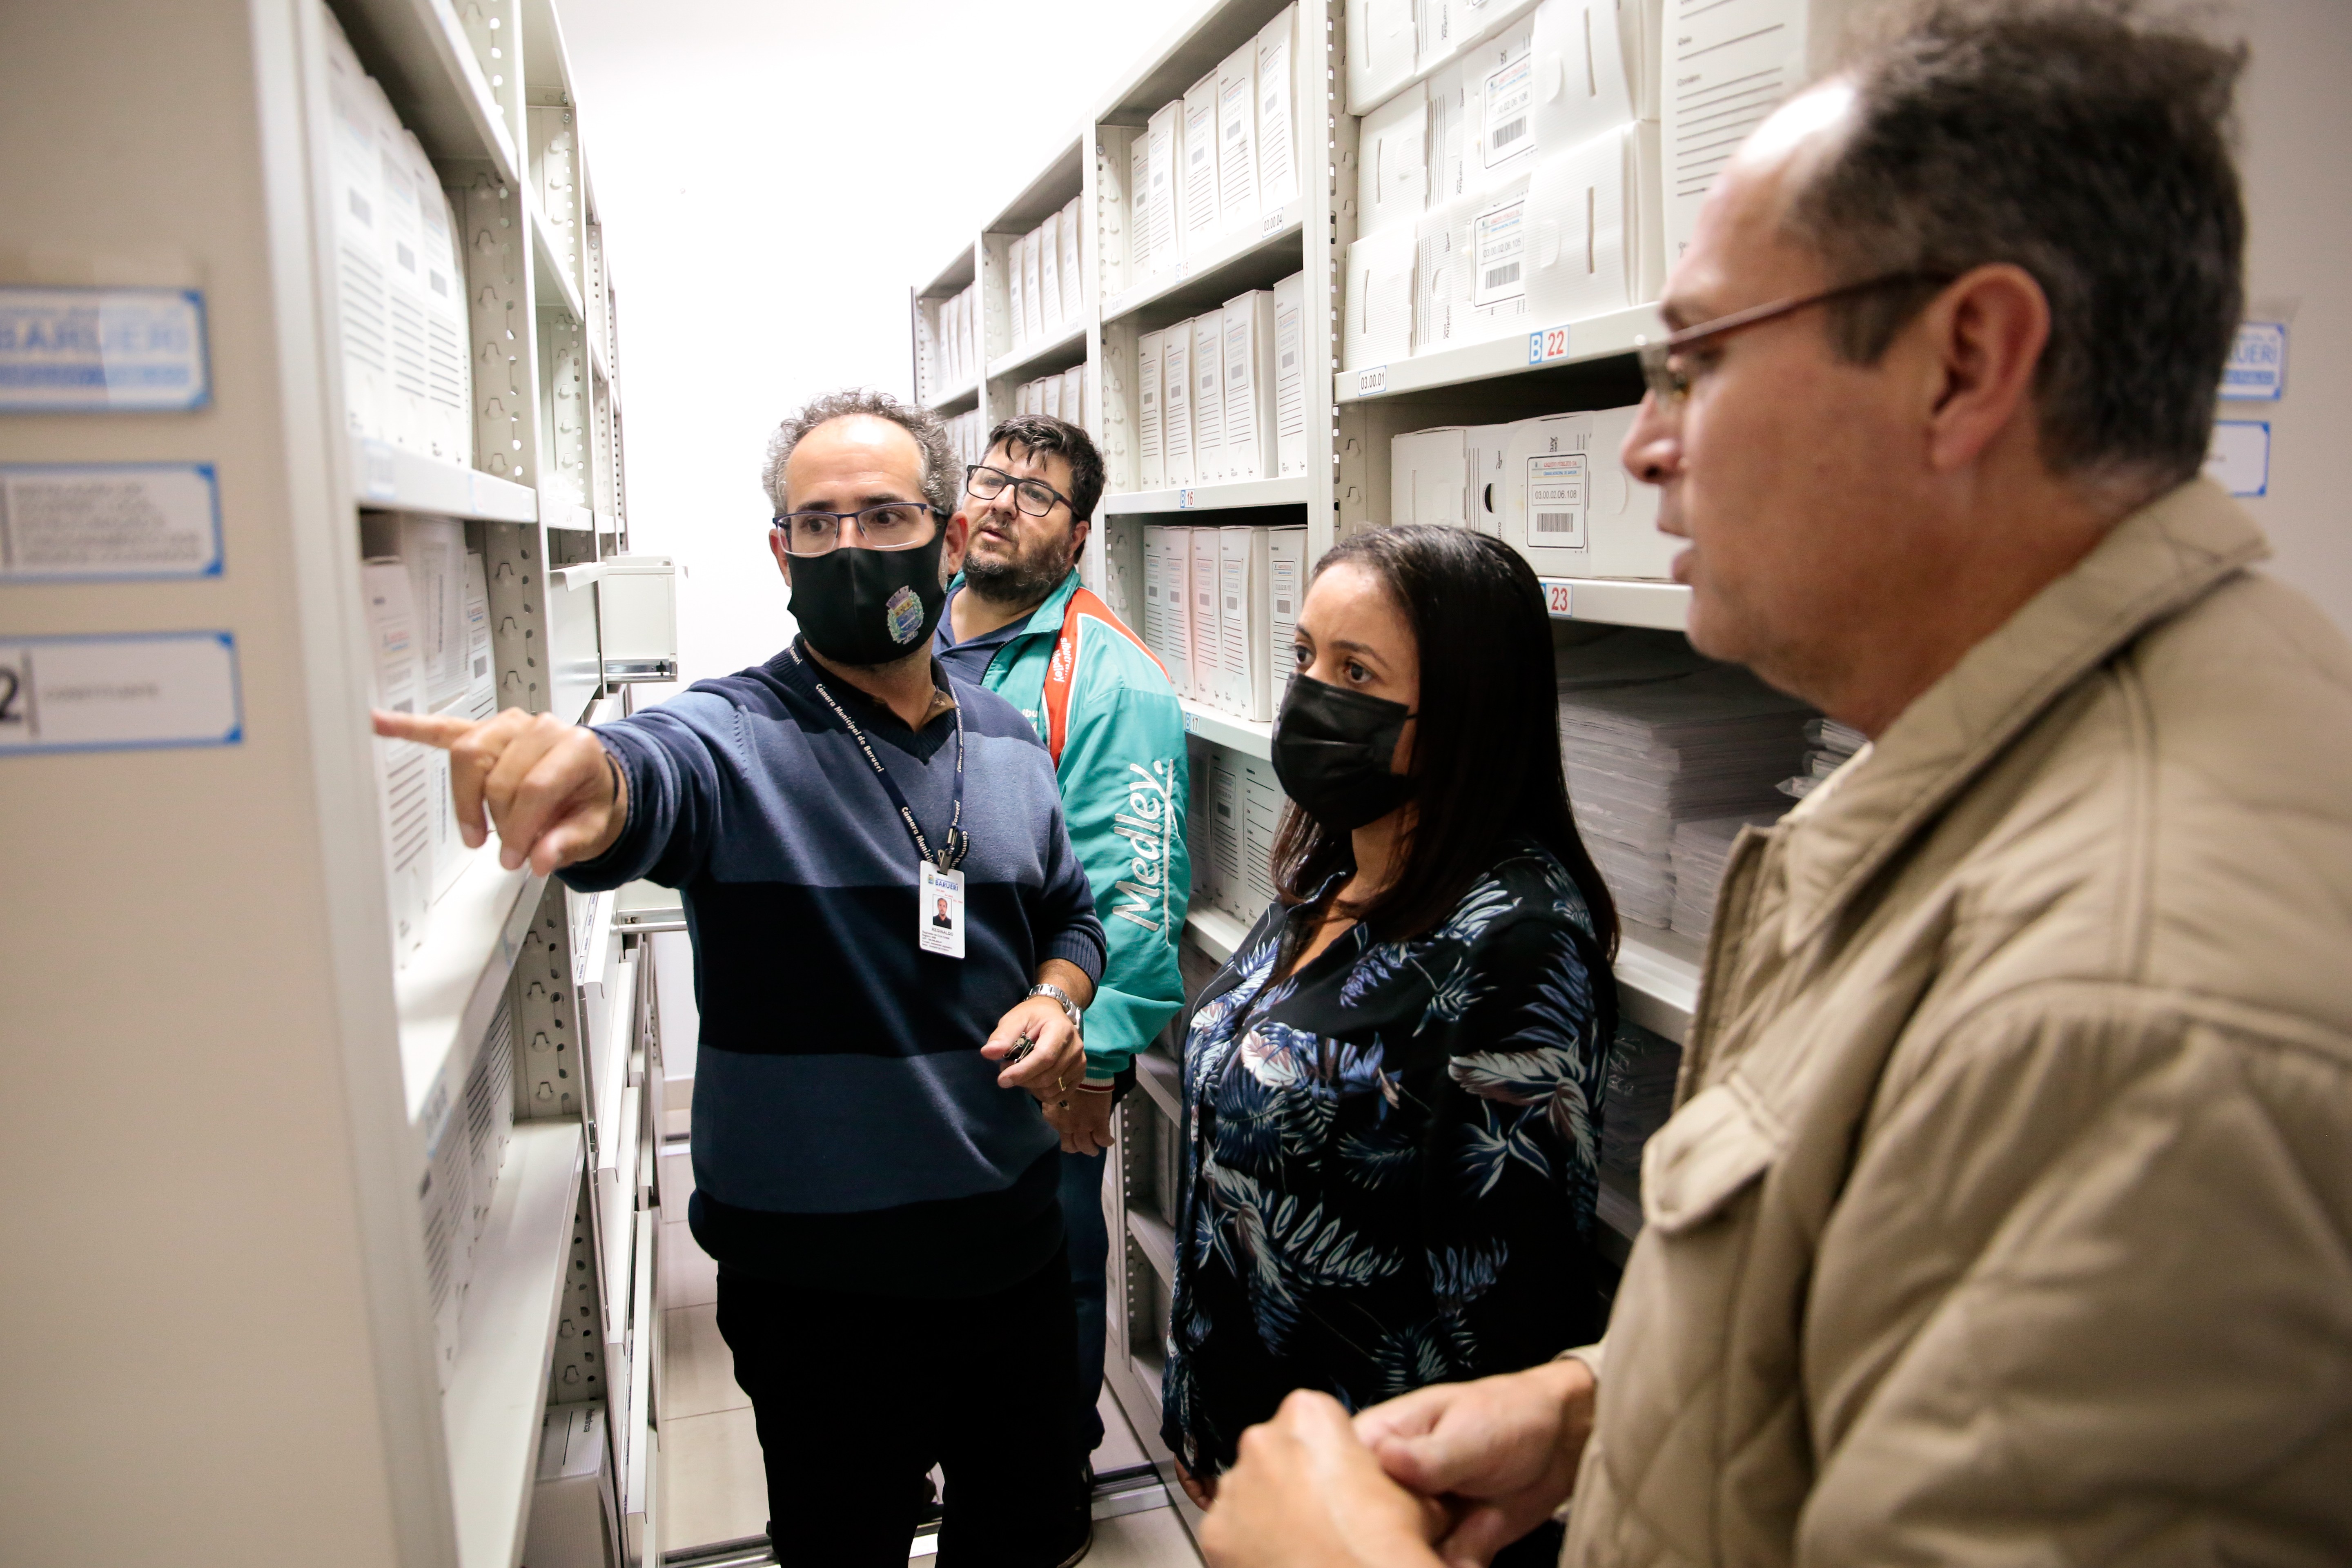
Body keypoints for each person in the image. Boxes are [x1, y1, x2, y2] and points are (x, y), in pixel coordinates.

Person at [1195, 3, 2352, 1565]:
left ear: (1966, 363)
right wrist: (1603, 1405)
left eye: (1698, 362)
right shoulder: (1982, 793)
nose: (1644, 447)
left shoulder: (2141, 1002)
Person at [379, 389, 1105, 1568]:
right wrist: (585, 773)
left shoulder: (1008, 740)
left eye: (883, 516)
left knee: (1022, 1538)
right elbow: (644, 783)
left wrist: (1060, 996)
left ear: (949, 536)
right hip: (820, 1295)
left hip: (1009, 1258)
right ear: (780, 553)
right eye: (817, 527)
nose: (852, 549)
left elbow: (1069, 911)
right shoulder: (733, 735)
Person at [1163, 524, 1622, 1568]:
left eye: (1356, 671)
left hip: (1381, 1502)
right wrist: (1208, 1411)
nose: (1309, 698)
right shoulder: (1330, 880)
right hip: (1266, 1462)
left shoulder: (1512, 938)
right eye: (1304, 658)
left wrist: (1395, 1519)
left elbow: (1503, 1298)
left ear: (1464, 711)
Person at [933, 414, 1191, 1476]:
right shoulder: (919, 625)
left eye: (1036, 495)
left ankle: (1054, 1477)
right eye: (992, 480)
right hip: (927, 1021)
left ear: (1078, 536)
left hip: (1043, 1037)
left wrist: (1100, 1063)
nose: (1001, 502)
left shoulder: (1113, 681)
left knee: (1053, 1262)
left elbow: (1139, 889)